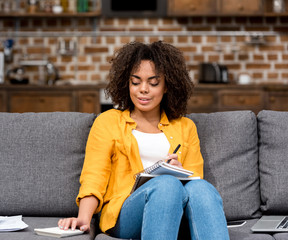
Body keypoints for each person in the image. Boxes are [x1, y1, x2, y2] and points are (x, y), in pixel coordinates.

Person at [58, 41, 229, 240]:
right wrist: (83, 218)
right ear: (126, 83)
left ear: (167, 86)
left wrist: (180, 170)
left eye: (153, 83)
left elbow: (194, 181)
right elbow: (94, 177)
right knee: (166, 184)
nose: (143, 89)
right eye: (136, 82)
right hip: (126, 213)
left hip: (176, 210)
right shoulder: (108, 122)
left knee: (202, 188)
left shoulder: (185, 127)